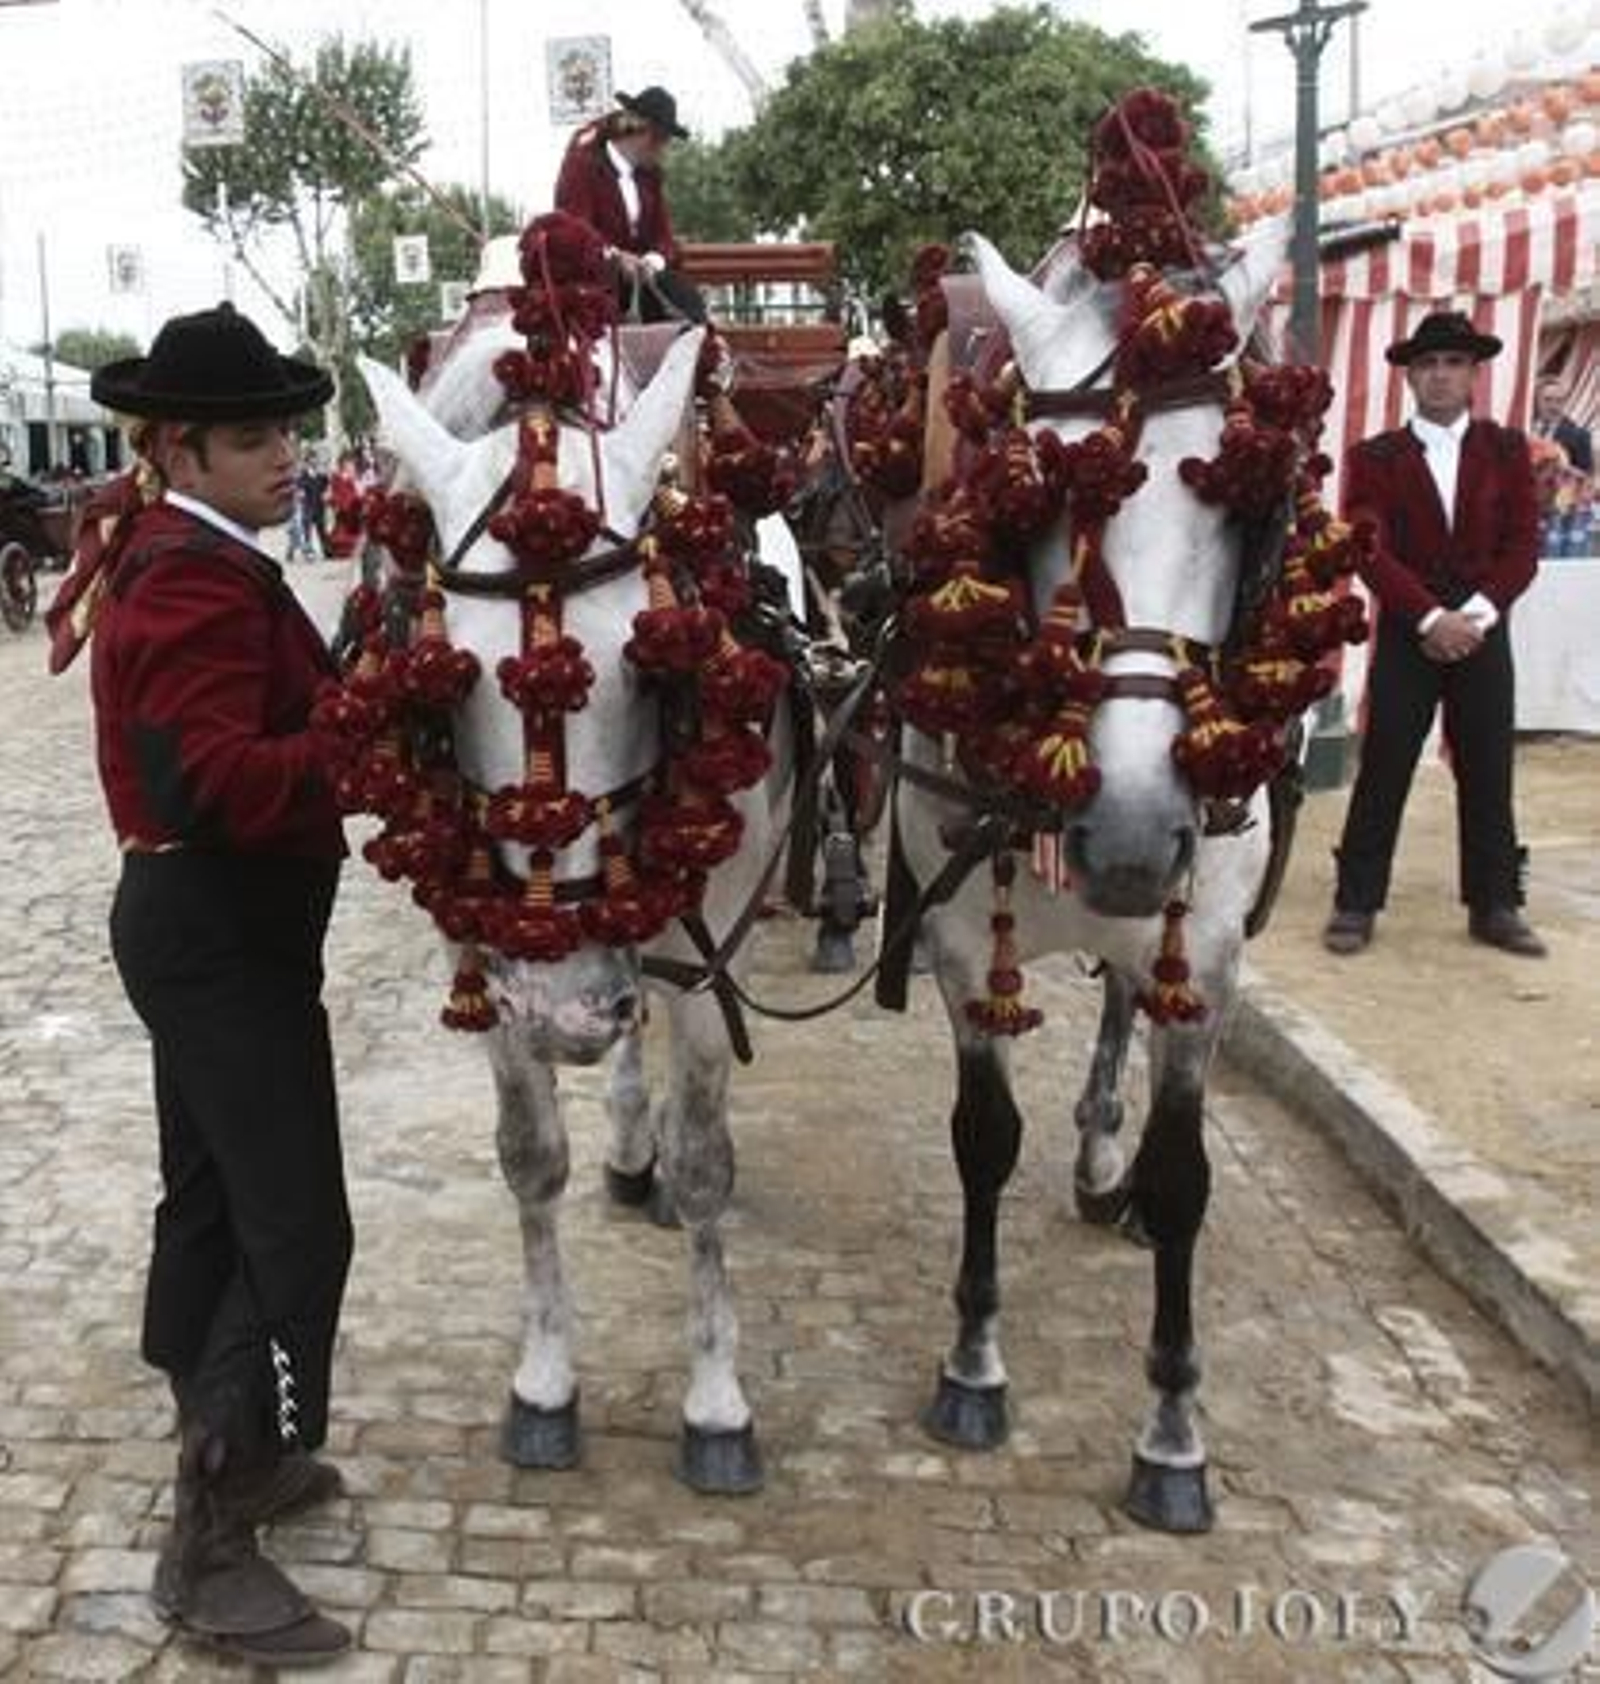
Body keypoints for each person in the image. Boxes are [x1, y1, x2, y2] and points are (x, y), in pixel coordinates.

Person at [56, 303, 354, 1664]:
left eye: (287, 427)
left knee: (216, 1191)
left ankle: (232, 1439)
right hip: (216, 926)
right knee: (291, 1226)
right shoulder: (186, 576)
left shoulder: (202, 554)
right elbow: (218, 785)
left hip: (218, 928)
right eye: (252, 436)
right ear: (176, 448)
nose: (282, 454)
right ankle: (210, 1531)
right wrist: (368, 731)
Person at [1323, 310, 1545, 959]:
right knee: (1385, 763)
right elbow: (1367, 547)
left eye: (1453, 363)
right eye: (1428, 365)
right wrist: (1428, 617)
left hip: (1482, 631)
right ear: (1410, 378)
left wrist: (1472, 618)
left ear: (1475, 374)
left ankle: (1495, 904)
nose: (1441, 375)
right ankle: (1356, 902)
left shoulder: (1506, 450)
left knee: (1487, 765)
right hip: (1408, 632)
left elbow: (1524, 546)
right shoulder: (1374, 457)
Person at [553, 83, 709, 324]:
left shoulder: (651, 176)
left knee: (683, 296)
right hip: (595, 283)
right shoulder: (582, 166)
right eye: (665, 141)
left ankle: (701, 349)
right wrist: (615, 257)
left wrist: (652, 261)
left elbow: (664, 237)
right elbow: (574, 232)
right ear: (649, 136)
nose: (664, 150)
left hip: (641, 286)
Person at [1531, 373, 1593, 474]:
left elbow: (1587, 479)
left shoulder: (1580, 436)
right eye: (1548, 400)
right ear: (1536, 400)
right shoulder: (1524, 426)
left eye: (1559, 401)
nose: (1553, 406)